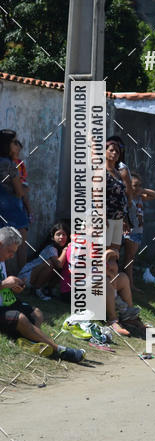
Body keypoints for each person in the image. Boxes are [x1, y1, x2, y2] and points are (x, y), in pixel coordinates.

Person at [0, 226, 85, 362]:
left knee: (37, 313)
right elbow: (3, 283)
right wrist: (5, 284)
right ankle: (60, 350)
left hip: (8, 303)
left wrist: (14, 287)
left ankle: (33, 341)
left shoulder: (2, 260)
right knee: (20, 318)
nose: (12, 256)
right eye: (10, 251)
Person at [122, 172, 155, 289]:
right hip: (130, 231)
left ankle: (128, 284)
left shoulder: (140, 197)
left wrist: (142, 190)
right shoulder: (126, 197)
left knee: (130, 259)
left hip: (138, 231)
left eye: (139, 185)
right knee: (129, 259)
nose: (138, 188)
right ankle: (129, 285)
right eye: (135, 185)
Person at [0, 130, 29, 273]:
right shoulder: (10, 165)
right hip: (13, 212)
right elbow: (19, 192)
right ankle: (22, 278)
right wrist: (25, 189)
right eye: (14, 142)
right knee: (20, 247)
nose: (18, 145)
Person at [18, 222, 69, 301]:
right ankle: (36, 290)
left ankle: (48, 289)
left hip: (35, 277)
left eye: (64, 234)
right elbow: (59, 264)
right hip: (26, 277)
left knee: (63, 268)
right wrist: (65, 250)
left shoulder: (60, 249)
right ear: (52, 237)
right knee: (50, 264)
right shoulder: (51, 248)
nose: (61, 237)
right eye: (58, 234)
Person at [106, 139, 130, 252]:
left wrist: (124, 218)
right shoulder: (100, 170)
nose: (114, 153)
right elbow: (96, 195)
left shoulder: (119, 173)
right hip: (107, 217)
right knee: (104, 252)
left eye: (117, 151)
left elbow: (123, 197)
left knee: (115, 252)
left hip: (118, 218)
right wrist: (101, 216)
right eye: (111, 150)